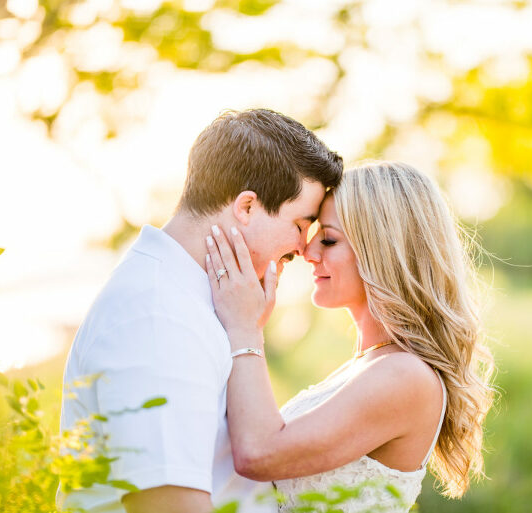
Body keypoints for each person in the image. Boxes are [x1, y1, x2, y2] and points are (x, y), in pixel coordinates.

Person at [58, 109, 343, 513]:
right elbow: (169, 504)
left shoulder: (194, 301)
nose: (302, 248)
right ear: (246, 207)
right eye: (300, 224)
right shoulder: (157, 315)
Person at [205, 162, 495, 512]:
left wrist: (245, 328)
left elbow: (258, 453)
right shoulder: (369, 364)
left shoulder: (405, 376)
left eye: (327, 239)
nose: (307, 254)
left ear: (383, 250)